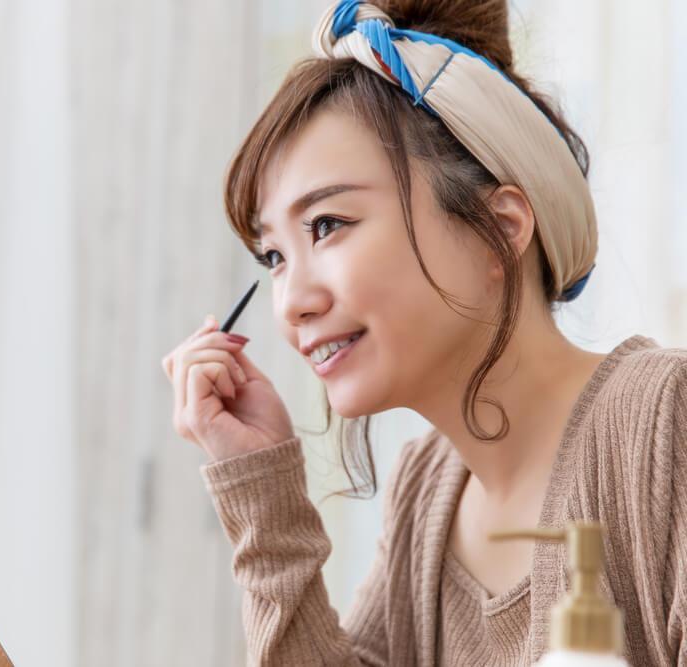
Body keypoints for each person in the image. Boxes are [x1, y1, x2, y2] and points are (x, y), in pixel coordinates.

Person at [160, 1, 687, 664]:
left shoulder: (666, 421)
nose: (290, 301)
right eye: (274, 257)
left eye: (326, 224)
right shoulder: (425, 495)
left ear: (498, 227)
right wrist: (261, 482)